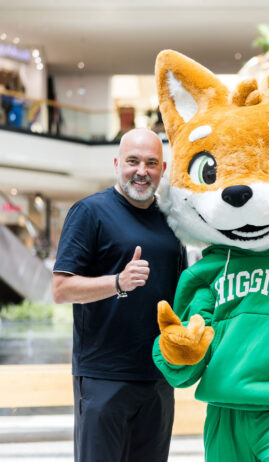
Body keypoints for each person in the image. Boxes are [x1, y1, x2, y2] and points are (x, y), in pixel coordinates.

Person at [52, 128, 188, 462]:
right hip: (103, 377)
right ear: (117, 164)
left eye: (151, 163)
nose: (142, 171)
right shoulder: (89, 212)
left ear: (162, 169)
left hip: (158, 377)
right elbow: (61, 289)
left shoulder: (173, 222)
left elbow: (182, 293)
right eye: (133, 161)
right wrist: (117, 282)